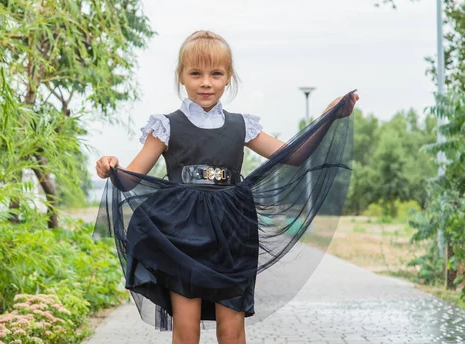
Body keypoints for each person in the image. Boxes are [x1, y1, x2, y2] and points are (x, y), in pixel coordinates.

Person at [93, 30, 359, 344]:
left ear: (228, 77)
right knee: (187, 329)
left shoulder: (242, 125)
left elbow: (294, 155)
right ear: (182, 77)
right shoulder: (165, 126)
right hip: (181, 235)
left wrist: (328, 116)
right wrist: (110, 165)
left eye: (216, 74)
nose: (206, 82)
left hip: (233, 233)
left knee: (232, 331)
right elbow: (132, 176)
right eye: (196, 74)